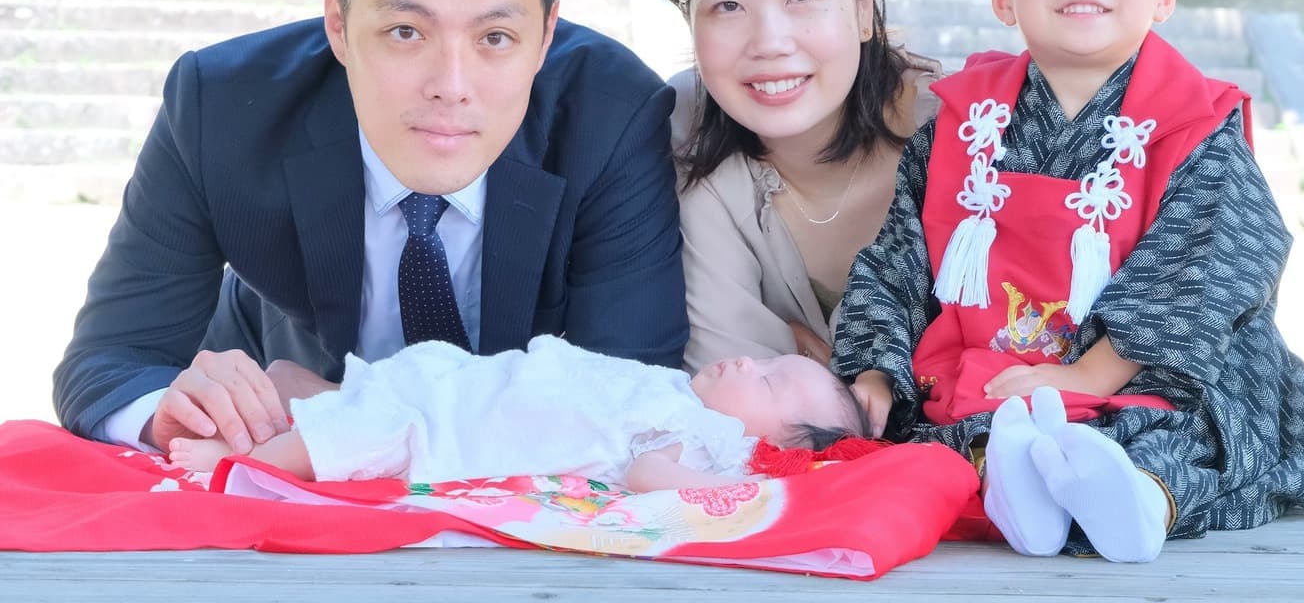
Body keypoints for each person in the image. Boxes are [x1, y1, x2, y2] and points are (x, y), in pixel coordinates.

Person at [53, 0, 688, 458]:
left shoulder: (611, 117)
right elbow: (111, 360)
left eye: (495, 37)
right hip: (273, 426)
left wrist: (347, 412)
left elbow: (630, 398)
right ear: (339, 24)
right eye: (406, 31)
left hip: (355, 441)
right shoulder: (221, 106)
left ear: (546, 35)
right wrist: (164, 410)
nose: (451, 86)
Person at [831, 0, 1304, 562]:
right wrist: (872, 368)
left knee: (1180, 433)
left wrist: (1087, 376)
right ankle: (1019, 488)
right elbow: (900, 257)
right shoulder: (963, 121)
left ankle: (1138, 500)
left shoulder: (1196, 125)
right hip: (1003, 374)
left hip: (1152, 378)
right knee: (951, 428)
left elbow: (1207, 269)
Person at [660, 0, 943, 371]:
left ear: (863, 5)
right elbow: (732, 390)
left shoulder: (966, 130)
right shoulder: (672, 130)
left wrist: (804, 356)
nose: (769, 42)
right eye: (727, 6)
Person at [168, 336, 866, 493]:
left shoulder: (706, 440)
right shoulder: (679, 390)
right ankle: (303, 398)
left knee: (366, 430)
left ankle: (238, 466)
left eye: (770, 383)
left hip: (458, 426)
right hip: (472, 384)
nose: (748, 362)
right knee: (371, 398)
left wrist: (729, 492)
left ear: (766, 445)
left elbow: (653, 477)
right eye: (766, 358)